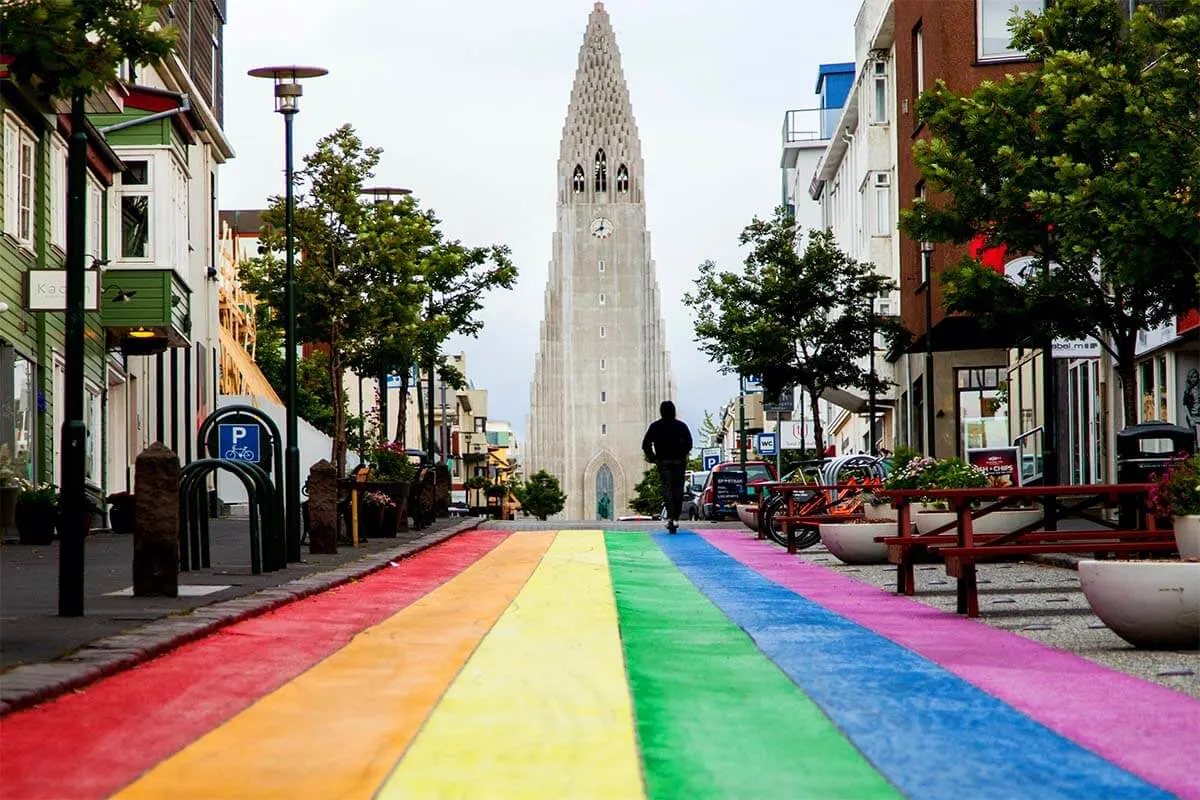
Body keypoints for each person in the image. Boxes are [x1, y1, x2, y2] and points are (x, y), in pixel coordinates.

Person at [642, 400, 693, 533]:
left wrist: (653, 458)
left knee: (667, 488)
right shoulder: (681, 426)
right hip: (679, 462)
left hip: (663, 462)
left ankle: (670, 516)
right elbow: (689, 443)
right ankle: (675, 517)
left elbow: (646, 444)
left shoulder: (656, 426)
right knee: (678, 489)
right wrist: (682, 454)